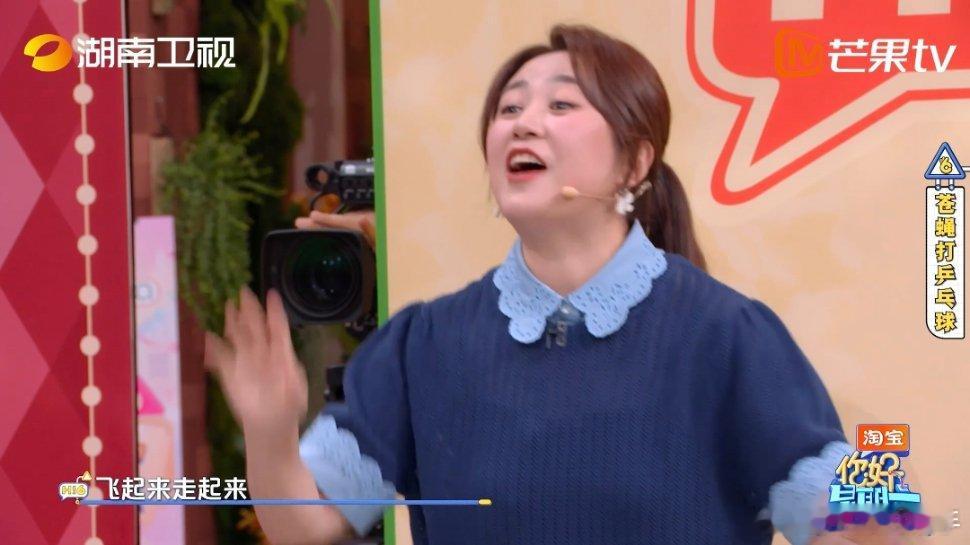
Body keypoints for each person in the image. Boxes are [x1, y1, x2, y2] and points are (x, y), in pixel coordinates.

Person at [205, 24, 898, 545]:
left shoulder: (727, 334)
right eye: (508, 109)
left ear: (634, 162)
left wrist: (886, 503)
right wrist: (268, 430)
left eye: (562, 105)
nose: (524, 123)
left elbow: (854, 508)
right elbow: (305, 523)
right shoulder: (424, 343)